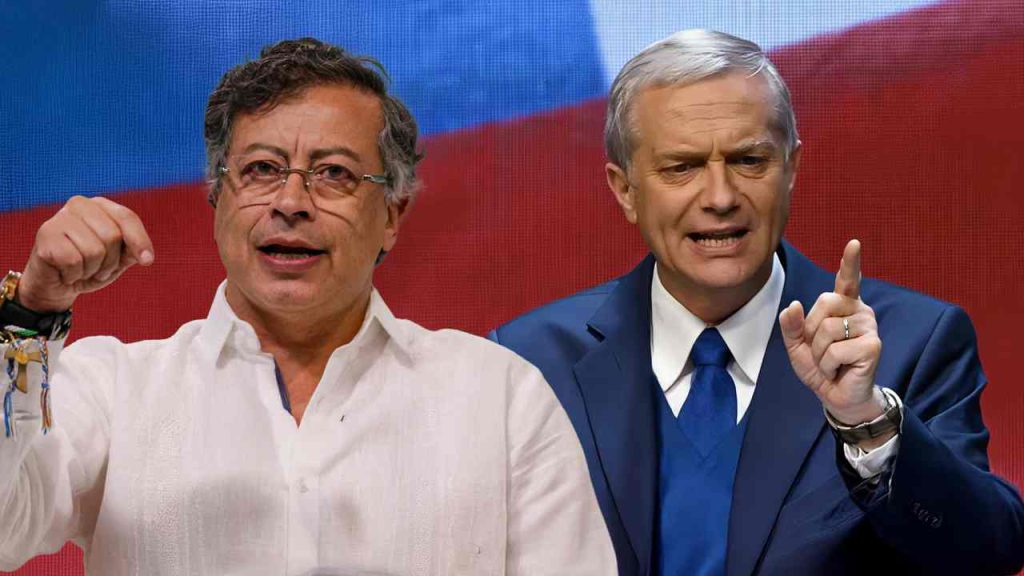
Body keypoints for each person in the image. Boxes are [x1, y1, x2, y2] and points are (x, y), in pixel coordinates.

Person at [0, 38, 615, 575]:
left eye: (335, 174)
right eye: (262, 169)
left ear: (392, 214)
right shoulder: (111, 390)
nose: (291, 201)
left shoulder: (500, 397)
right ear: (217, 197)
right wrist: (32, 312)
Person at [490, 29, 1024, 575]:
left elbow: (989, 552)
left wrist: (864, 421)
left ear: (791, 169)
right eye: (682, 167)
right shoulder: (528, 362)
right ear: (625, 189)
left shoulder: (912, 342)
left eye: (749, 160)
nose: (721, 198)